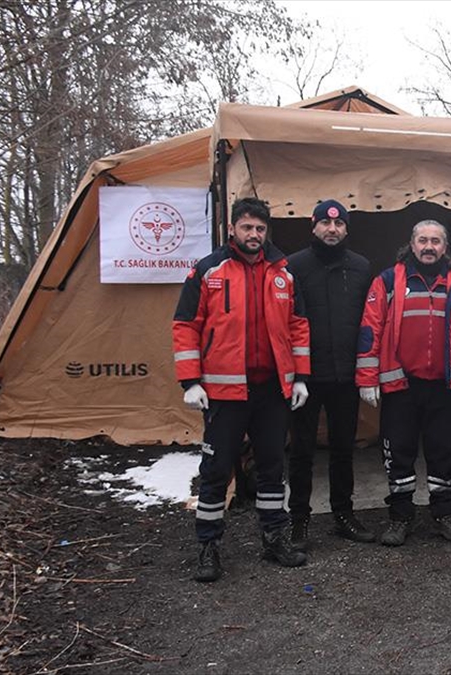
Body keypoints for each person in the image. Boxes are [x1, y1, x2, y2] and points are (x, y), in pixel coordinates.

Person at [172, 197, 311, 582]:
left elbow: (298, 326)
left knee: (271, 467)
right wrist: (190, 380)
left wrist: (300, 376)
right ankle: (208, 547)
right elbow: (185, 325)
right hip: (222, 392)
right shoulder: (208, 270)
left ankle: (273, 538)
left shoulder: (283, 273)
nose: (254, 235)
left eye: (260, 229)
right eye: (247, 227)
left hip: (271, 391)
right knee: (216, 470)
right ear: (232, 229)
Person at [356, 220, 451, 546]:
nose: (429, 247)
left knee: (443, 453)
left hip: (443, 388)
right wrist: (367, 377)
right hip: (400, 386)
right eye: (422, 240)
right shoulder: (388, 281)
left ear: (445, 247)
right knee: (399, 453)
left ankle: (444, 514)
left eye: (436, 241)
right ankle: (401, 517)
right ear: (411, 244)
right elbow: (369, 331)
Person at [285, 199, 374, 550]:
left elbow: (370, 323)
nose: (332, 230)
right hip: (307, 377)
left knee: (342, 449)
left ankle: (343, 514)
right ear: (314, 226)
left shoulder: (362, 267)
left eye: (338, 225)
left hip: (346, 376)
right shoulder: (293, 266)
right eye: (325, 223)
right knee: (302, 450)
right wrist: (295, 375)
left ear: (347, 229)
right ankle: (298, 520)